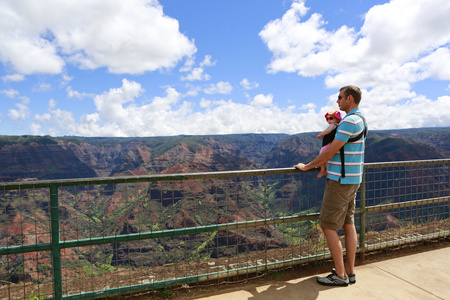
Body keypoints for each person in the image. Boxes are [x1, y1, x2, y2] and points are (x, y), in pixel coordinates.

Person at [294, 85, 367, 287]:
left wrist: (307, 166)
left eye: (340, 97)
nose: (337, 101)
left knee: (327, 225)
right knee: (348, 223)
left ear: (349, 99)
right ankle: (350, 272)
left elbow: (329, 152)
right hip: (353, 179)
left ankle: (340, 276)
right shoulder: (360, 119)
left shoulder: (349, 121)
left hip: (340, 181)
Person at [316, 109, 342, 178]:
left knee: (322, 155)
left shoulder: (333, 125)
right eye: (327, 119)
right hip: (332, 144)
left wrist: (320, 134)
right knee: (327, 158)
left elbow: (328, 130)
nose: (329, 120)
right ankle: (327, 169)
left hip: (328, 144)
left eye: (331, 118)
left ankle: (322, 171)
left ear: (337, 118)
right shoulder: (338, 126)